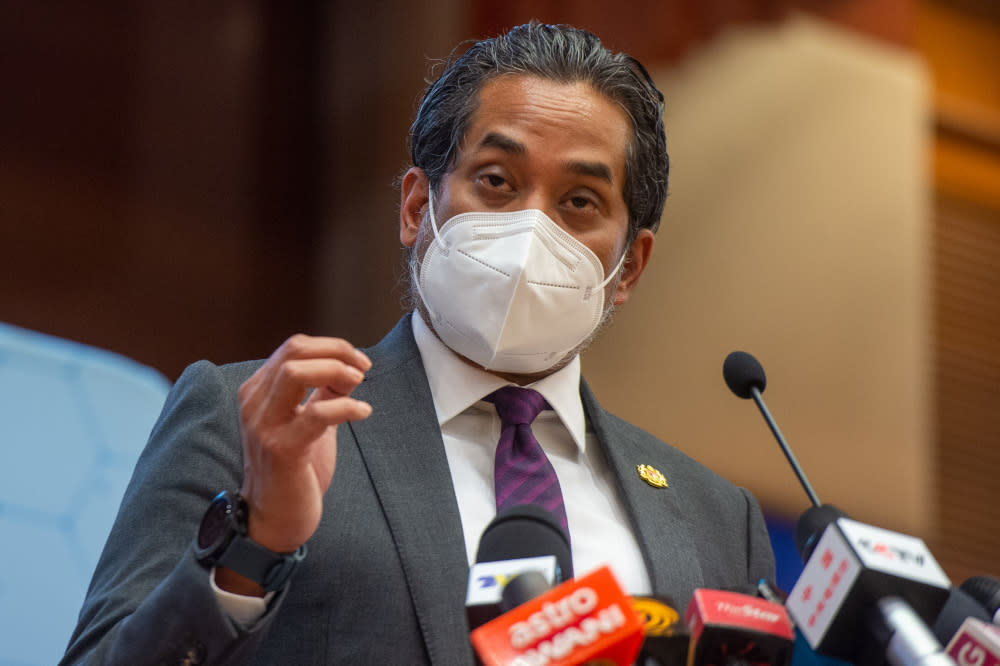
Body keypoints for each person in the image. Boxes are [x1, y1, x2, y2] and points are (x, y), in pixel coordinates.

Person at [62, 21, 774, 665]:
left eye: (578, 203)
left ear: (630, 267)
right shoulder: (262, 423)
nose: (531, 233)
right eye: (495, 182)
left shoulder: (716, 517)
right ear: (415, 208)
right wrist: (255, 547)